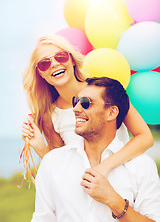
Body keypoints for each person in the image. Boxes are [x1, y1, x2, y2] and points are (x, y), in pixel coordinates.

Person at [22, 35, 153, 177]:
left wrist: (105, 166)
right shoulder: (50, 115)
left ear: (72, 59)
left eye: (60, 57)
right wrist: (41, 148)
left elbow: (145, 137)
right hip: (85, 192)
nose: (54, 64)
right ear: (40, 73)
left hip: (125, 181)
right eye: (44, 63)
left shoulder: (105, 88)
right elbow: (59, 170)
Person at [31, 77, 160, 222]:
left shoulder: (142, 166)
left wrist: (114, 201)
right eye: (76, 101)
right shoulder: (52, 162)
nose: (75, 109)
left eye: (86, 103)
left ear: (111, 113)